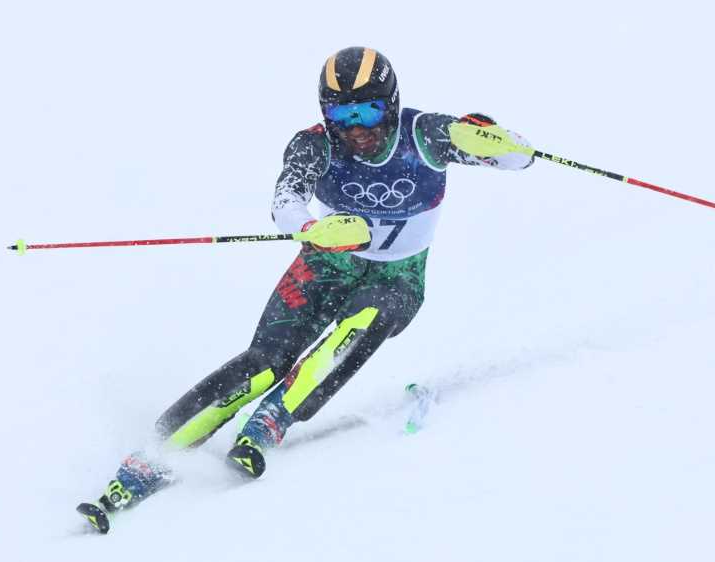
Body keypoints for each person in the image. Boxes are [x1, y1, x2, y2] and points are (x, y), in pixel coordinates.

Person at [77, 46, 535, 534]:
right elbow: (285, 201)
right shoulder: (314, 145)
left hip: (397, 276)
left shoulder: (428, 135)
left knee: (366, 320)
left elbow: (521, 160)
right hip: (327, 263)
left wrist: (493, 139)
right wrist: (313, 229)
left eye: (369, 110)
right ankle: (153, 456)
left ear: (393, 103)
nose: (356, 126)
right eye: (342, 113)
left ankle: (273, 419)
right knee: (263, 363)